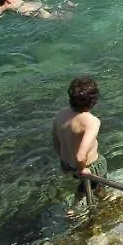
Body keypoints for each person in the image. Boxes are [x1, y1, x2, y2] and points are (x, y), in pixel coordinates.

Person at [51, 76, 106, 217]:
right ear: (94, 100)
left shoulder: (60, 115)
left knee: (84, 185)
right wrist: (82, 169)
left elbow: (56, 143)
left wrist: (66, 161)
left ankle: (90, 196)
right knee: (96, 180)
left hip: (66, 164)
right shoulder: (92, 122)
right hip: (88, 167)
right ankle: (75, 208)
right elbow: (80, 156)